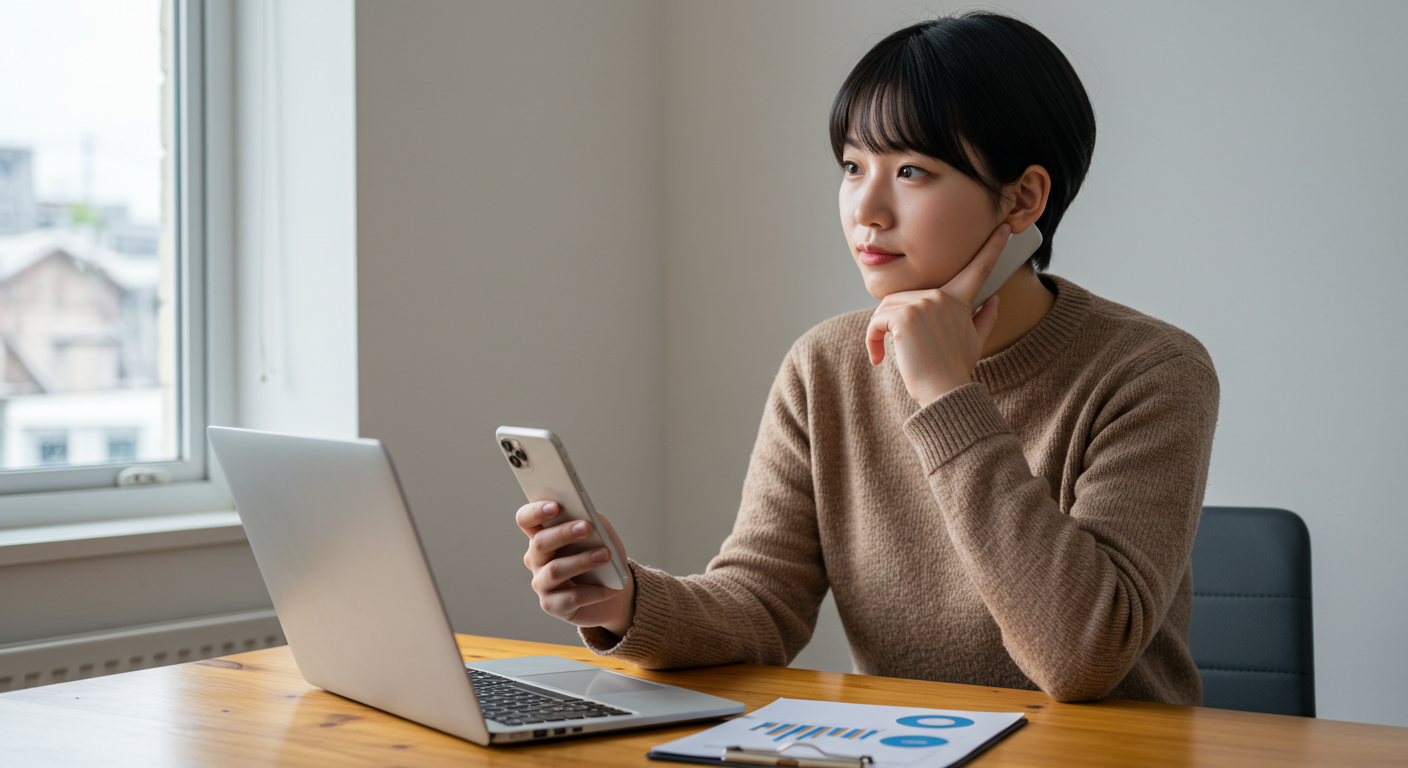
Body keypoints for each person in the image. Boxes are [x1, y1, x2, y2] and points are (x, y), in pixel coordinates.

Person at [514, 12, 1218, 705]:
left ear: (1022, 198)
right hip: (907, 749)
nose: (866, 210)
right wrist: (626, 603)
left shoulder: (1152, 371)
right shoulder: (825, 366)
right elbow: (762, 601)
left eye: (911, 170)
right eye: (853, 167)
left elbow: (1081, 658)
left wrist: (947, 394)